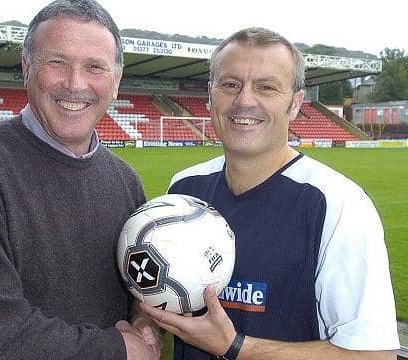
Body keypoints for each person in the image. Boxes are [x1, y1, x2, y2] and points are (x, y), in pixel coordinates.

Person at [140, 27, 400, 359]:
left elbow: (375, 356)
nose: (245, 100)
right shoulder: (184, 189)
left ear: (295, 104)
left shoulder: (338, 205)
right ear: (210, 96)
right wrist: (144, 321)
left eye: (266, 87)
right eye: (230, 85)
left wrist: (235, 348)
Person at [0, 0, 160, 359]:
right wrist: (117, 350)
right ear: (26, 69)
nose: (75, 83)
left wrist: (143, 317)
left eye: (94, 66)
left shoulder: (125, 181)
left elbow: (135, 288)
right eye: (57, 62)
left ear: (116, 83)